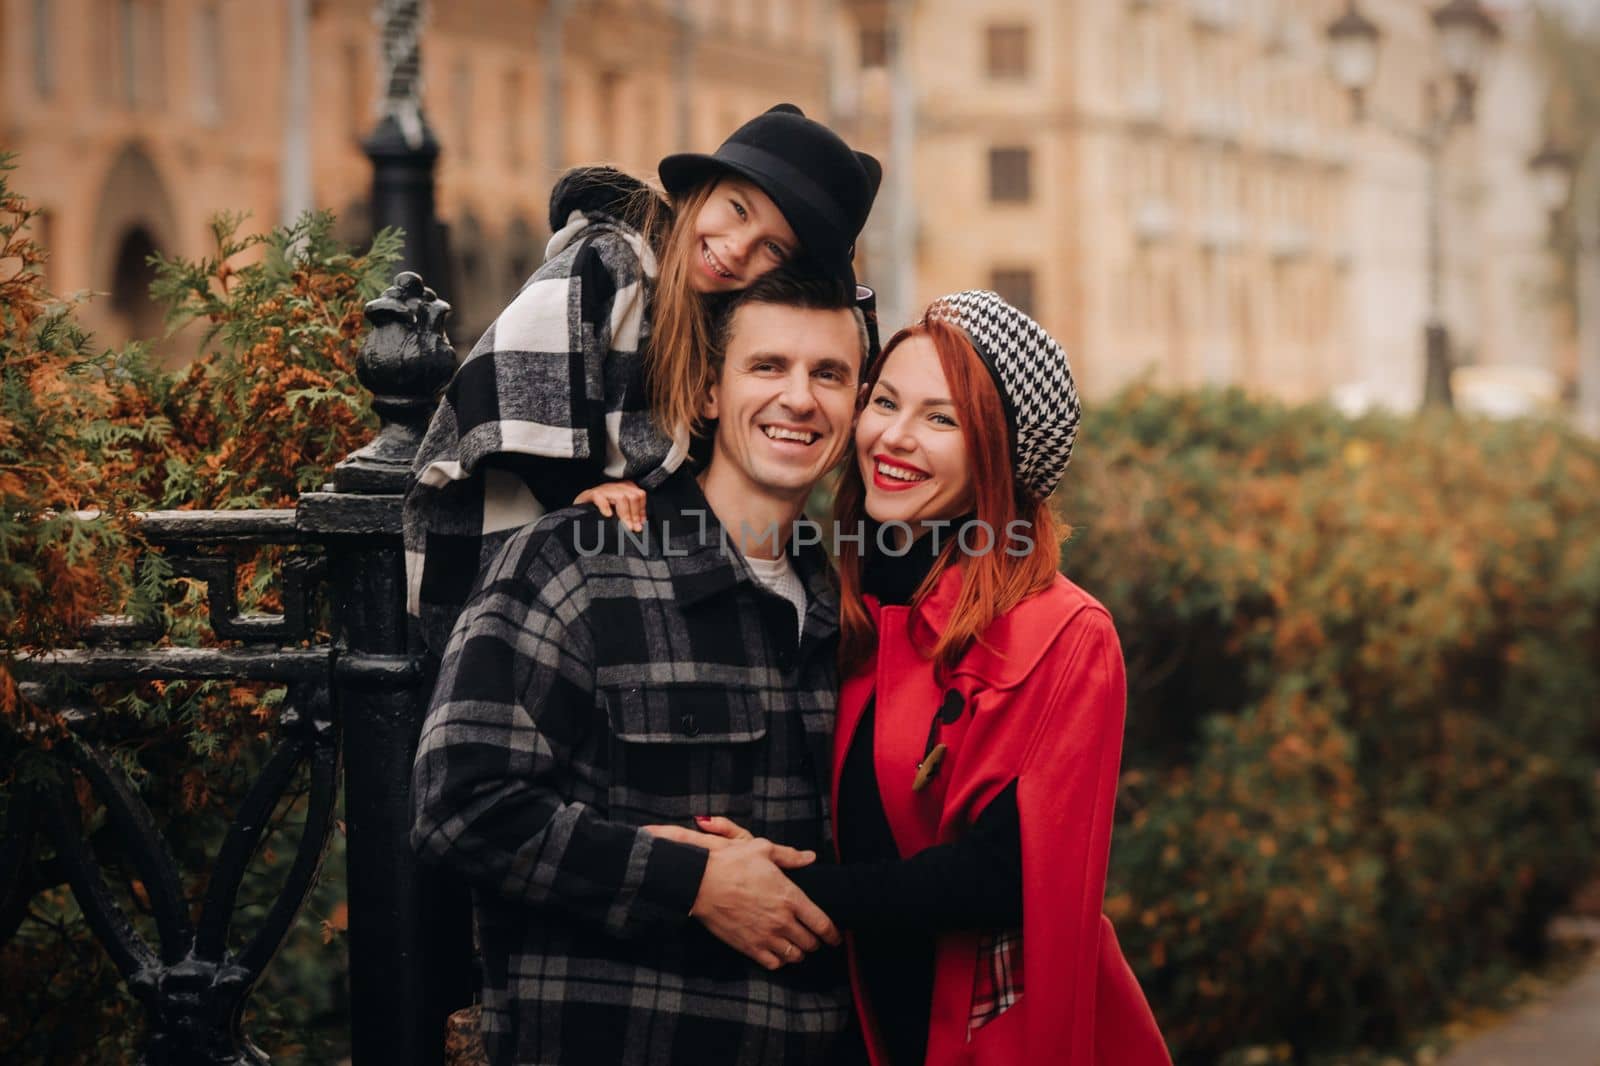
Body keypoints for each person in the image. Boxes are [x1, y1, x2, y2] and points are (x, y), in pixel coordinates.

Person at [654, 291, 1171, 1065]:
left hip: (994, 1037)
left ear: (995, 455)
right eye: (885, 401)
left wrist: (770, 889)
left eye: (941, 418)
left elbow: (1004, 874)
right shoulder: (847, 606)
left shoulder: (1063, 632)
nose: (894, 438)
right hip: (860, 1029)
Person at [410, 271, 874, 1066]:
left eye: (829, 375)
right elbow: (462, 804)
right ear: (707, 394)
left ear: (857, 408)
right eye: (768, 367)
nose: (800, 398)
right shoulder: (576, 563)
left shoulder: (849, 614)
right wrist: (691, 883)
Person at [403, 104, 881, 653]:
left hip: (590, 580)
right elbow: (505, 388)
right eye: (738, 210)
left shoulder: (705, 315)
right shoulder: (612, 259)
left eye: (773, 248)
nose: (737, 247)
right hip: (491, 555)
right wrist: (577, 487)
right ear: (703, 189)